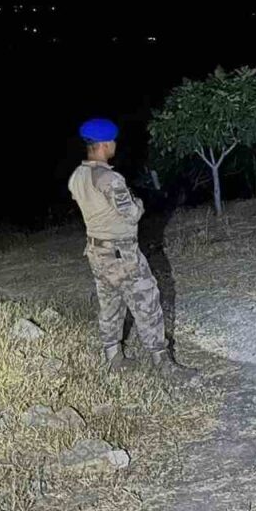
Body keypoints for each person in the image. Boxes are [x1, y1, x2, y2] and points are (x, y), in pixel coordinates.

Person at [67, 118, 197, 383]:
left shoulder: (77, 176)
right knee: (147, 302)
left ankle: (113, 356)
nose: (114, 145)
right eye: (112, 142)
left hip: (96, 252)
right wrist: (138, 202)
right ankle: (163, 363)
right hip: (121, 253)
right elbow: (131, 214)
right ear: (104, 145)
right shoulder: (110, 178)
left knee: (110, 304)